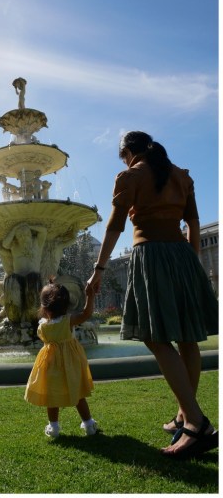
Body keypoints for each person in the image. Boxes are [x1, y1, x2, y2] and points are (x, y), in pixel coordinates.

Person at [87, 130, 218, 459]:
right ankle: (183, 415)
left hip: (152, 257)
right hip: (184, 256)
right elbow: (193, 223)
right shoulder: (181, 176)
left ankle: (196, 424)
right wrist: (194, 264)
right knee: (188, 338)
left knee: (154, 336)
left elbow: (115, 225)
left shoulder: (130, 176)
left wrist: (99, 269)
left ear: (128, 152)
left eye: (123, 156)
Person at [25, 280, 98, 438]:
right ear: (67, 305)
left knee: (52, 396)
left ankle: (54, 428)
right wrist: (90, 297)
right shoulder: (68, 321)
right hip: (71, 362)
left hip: (51, 364)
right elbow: (86, 314)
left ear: (43, 307)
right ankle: (89, 425)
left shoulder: (42, 326)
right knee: (78, 394)